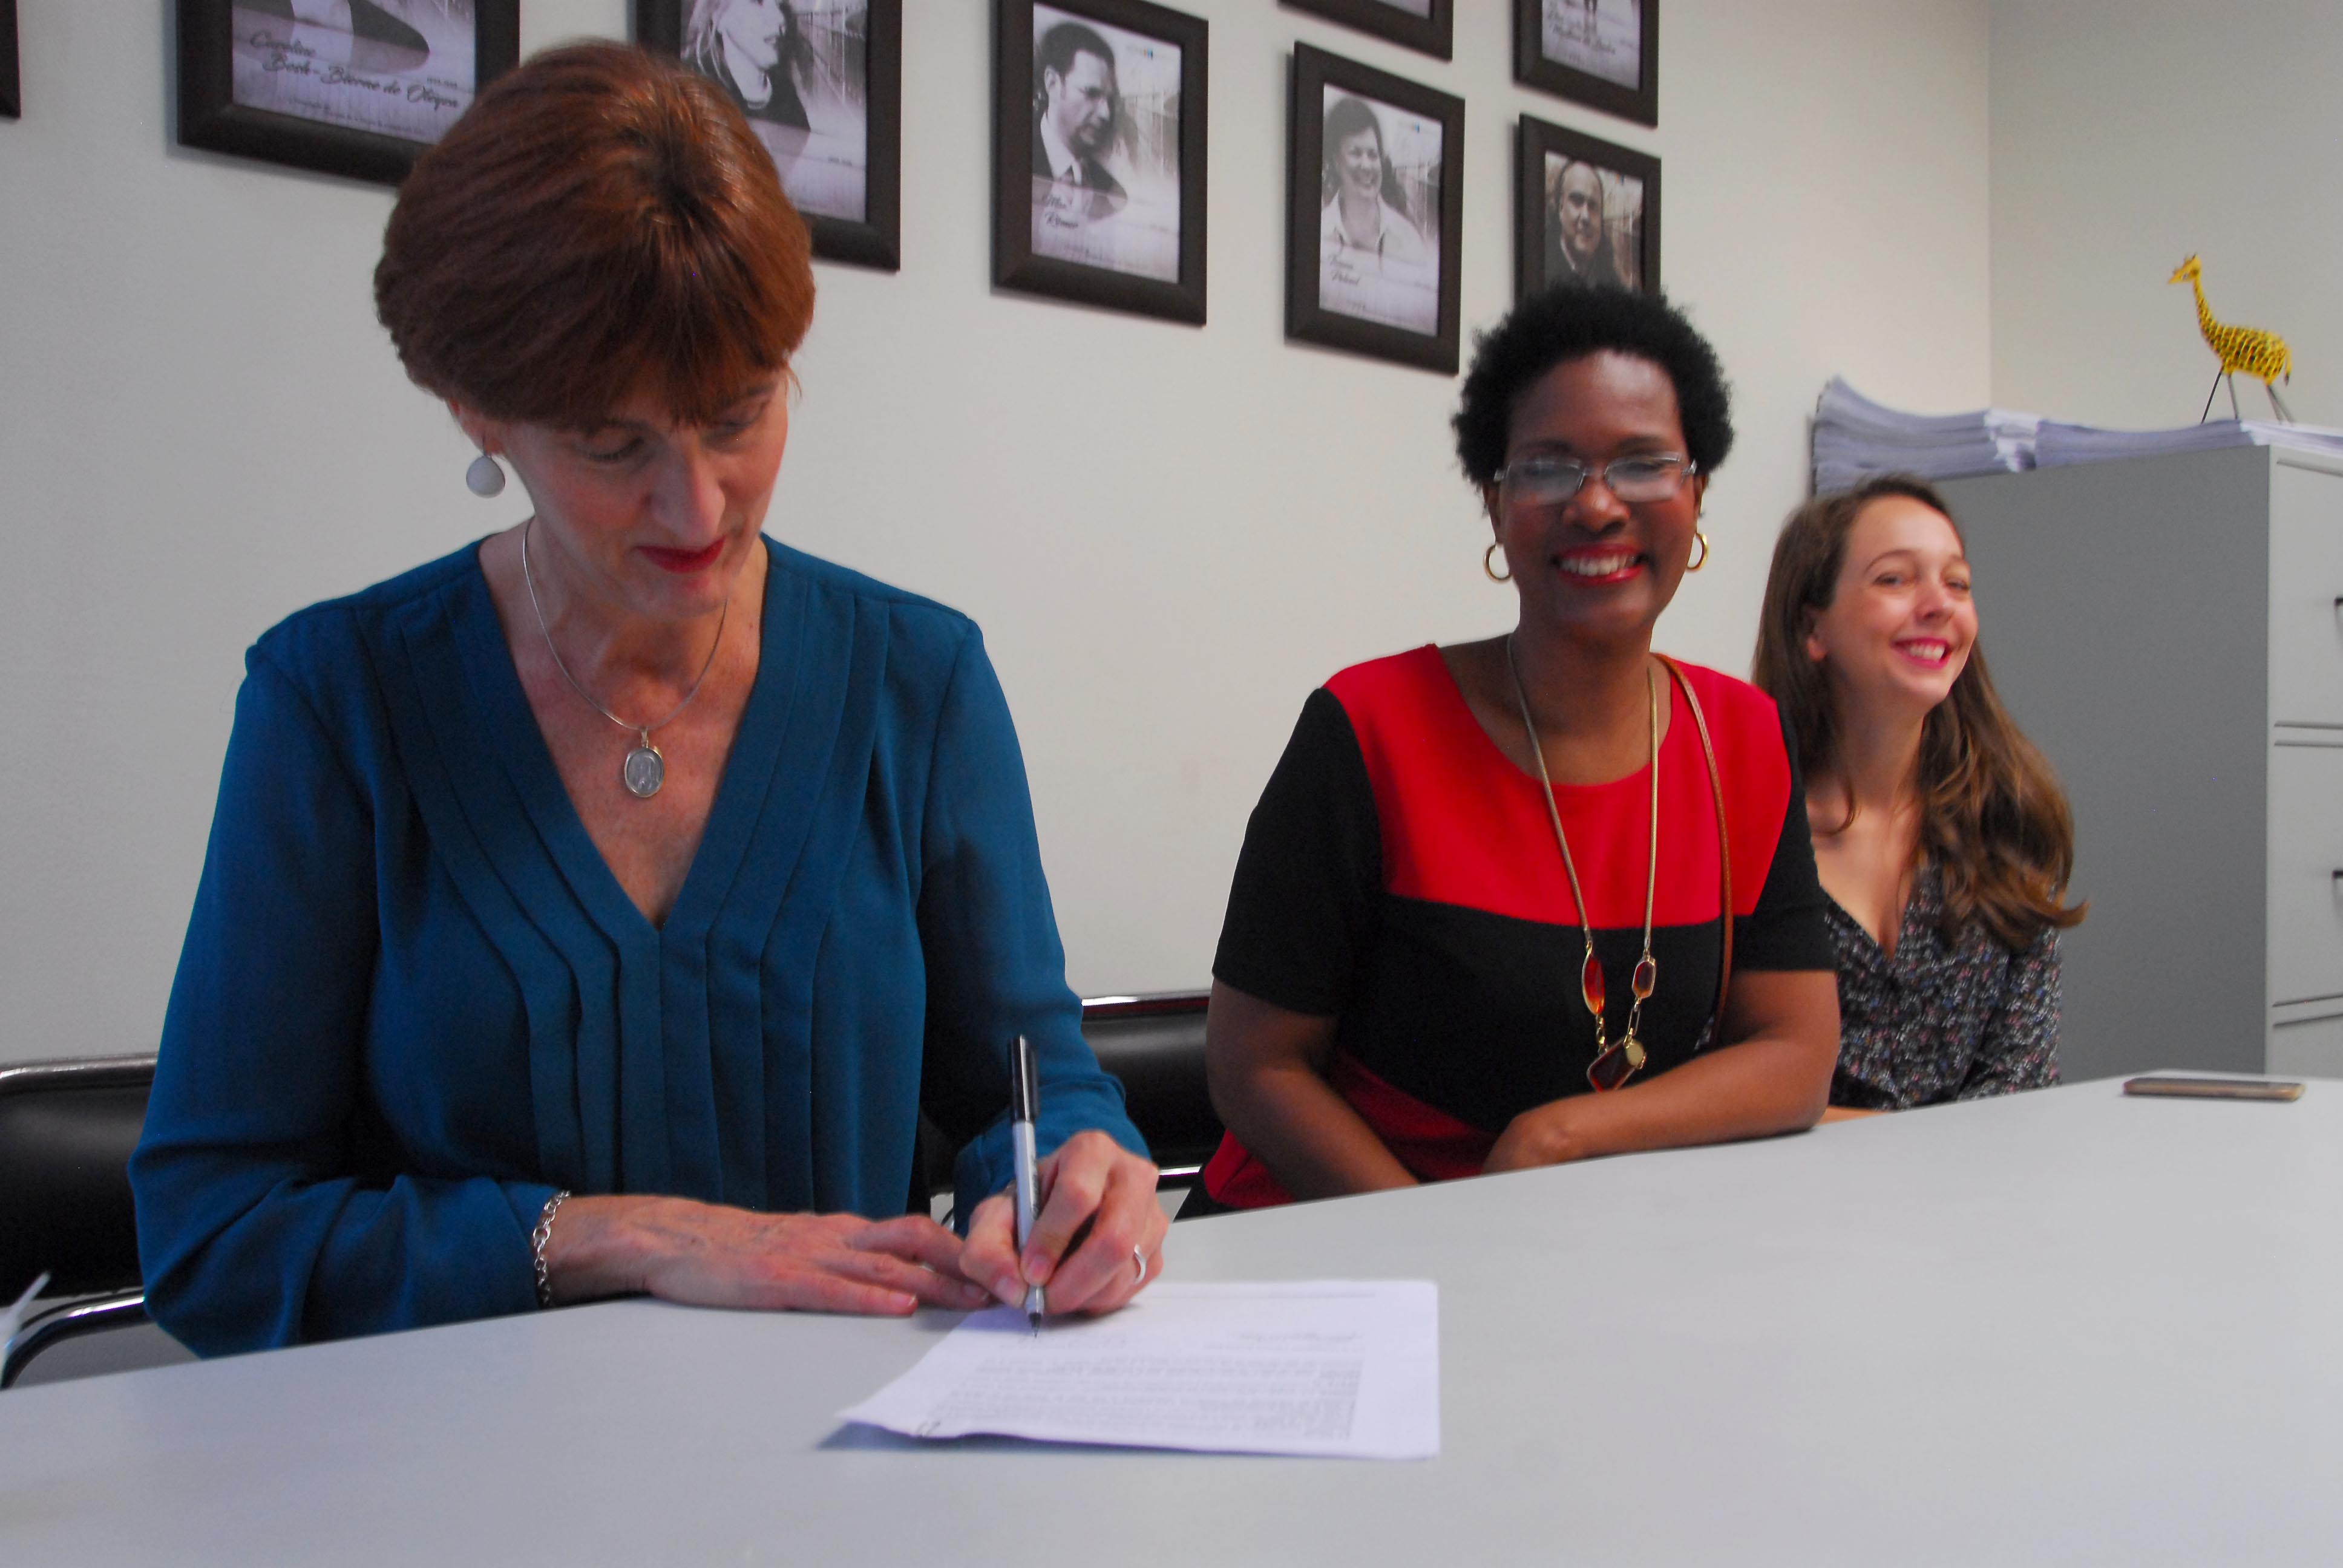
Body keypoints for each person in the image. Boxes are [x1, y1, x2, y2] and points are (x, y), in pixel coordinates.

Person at [129, 43, 1165, 1358]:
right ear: (478, 416)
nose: (699, 508)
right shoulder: (336, 702)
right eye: (614, 446)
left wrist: (1079, 1175)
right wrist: (622, 1236)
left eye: (739, 416)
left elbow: (1028, 1082)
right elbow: (215, 1232)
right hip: (460, 1483)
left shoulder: (919, 679)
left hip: (862, 1462)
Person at [1188, 287, 1841, 1214]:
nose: (1599, 504)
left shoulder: (1744, 738)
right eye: (1547, 469)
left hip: (1571, 1251)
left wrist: (1562, 1134)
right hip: (1333, 1244)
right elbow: (1253, 1067)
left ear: (1697, 494)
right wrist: (1448, 1246)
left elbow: (1795, 1057)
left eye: (1645, 464)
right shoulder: (1368, 727)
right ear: (1495, 504)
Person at [1752, 475, 2083, 1112]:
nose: (1938, 605)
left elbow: (2021, 1092)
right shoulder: (1740, 829)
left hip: (1974, 1200)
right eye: (1894, 579)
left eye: (1956, 583)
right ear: (1810, 628)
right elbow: (1714, 1086)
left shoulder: (2009, 822)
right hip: (1782, 1202)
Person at [1319, 95, 1430, 284]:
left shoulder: (1408, 240)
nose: (1367, 165)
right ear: (1336, 161)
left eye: (1373, 155)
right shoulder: (1318, 233)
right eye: (1355, 153)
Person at [1031, 21, 1125, 211]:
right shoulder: (1013, 159)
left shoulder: (1111, 193)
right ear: (1052, 84)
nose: (1106, 113)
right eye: (1091, 93)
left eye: (1109, 100)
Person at [683, 0, 810, 132]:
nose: (780, 18)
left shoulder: (787, 96)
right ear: (718, 16)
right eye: (757, 2)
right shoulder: (692, 101)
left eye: (780, 5)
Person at [1545, 160, 1624, 290]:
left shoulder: (1613, 285)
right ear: (1560, 208)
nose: (1586, 216)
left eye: (1593, 206)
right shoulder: (1540, 269)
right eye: (1577, 201)